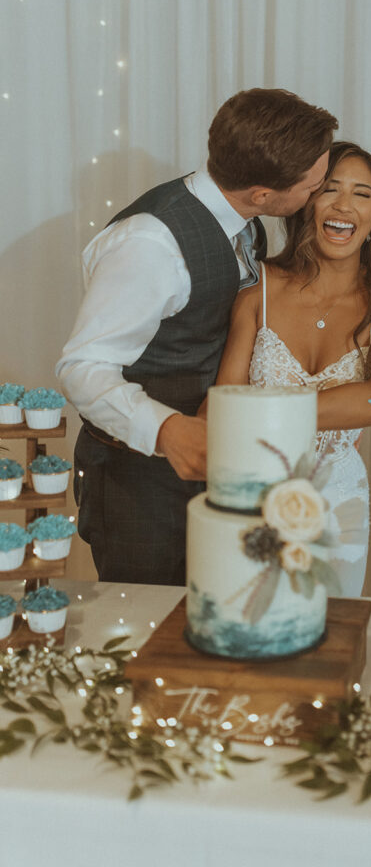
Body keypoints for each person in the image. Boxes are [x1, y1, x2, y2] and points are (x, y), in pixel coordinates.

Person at [56, 88, 338, 585]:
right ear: (263, 195)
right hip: (135, 482)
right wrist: (166, 430)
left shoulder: (245, 222)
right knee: (146, 633)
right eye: (313, 187)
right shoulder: (150, 244)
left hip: (213, 471)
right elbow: (82, 368)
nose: (318, 194)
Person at [211, 140, 371, 596]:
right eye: (330, 189)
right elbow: (220, 412)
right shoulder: (256, 290)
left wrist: (259, 411)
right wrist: (338, 406)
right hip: (249, 497)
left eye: (362, 193)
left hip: (338, 509)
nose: (344, 205)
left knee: (331, 641)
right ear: (306, 203)